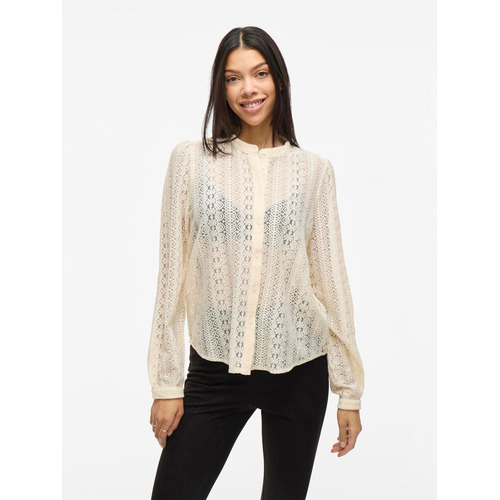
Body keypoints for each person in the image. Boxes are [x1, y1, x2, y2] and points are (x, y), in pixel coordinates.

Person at [147, 26, 365, 500]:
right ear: (221, 88)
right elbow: (171, 277)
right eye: (233, 78)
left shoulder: (314, 171)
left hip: (300, 370)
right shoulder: (191, 162)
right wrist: (166, 384)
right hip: (214, 369)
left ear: (278, 80)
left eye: (260, 74)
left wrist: (348, 391)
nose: (248, 88)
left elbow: (331, 280)